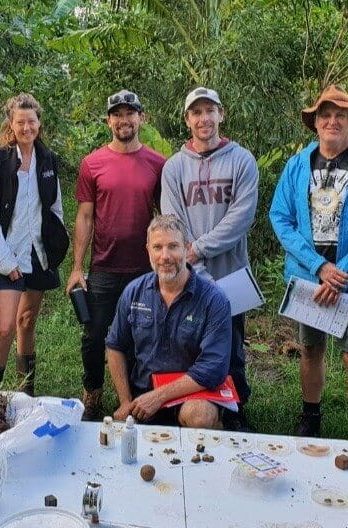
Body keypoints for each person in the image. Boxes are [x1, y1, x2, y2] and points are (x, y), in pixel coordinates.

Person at [268, 85, 348, 440]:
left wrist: (341, 273)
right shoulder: (297, 165)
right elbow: (280, 217)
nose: (332, 121)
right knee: (311, 348)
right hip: (310, 276)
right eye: (325, 115)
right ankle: (311, 415)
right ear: (315, 122)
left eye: (340, 114)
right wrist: (317, 267)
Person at [160, 87, 258, 431]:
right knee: (191, 344)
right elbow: (173, 222)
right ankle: (192, 410)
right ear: (188, 120)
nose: (204, 119)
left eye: (210, 111)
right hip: (189, 278)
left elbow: (241, 217)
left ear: (221, 114)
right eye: (196, 112)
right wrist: (195, 269)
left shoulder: (242, 160)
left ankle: (236, 411)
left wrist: (199, 250)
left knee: (231, 347)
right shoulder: (174, 168)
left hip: (232, 277)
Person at [65, 90, 165, 420]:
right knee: (94, 335)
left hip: (144, 269)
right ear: (109, 120)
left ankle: (138, 397)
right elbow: (85, 216)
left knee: (142, 334)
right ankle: (92, 393)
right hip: (105, 265)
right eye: (117, 114)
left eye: (130, 113)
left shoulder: (158, 164)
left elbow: (165, 217)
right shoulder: (92, 163)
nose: (124, 120)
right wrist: (78, 268)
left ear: (142, 118)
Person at [0, 93, 69, 395]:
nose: (27, 127)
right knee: (5, 327)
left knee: (26, 321)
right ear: (11, 124)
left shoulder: (49, 161)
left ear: (39, 123)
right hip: (7, 253)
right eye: (20, 122)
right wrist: (6, 260)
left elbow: (55, 207)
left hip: (38, 254)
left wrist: (57, 241)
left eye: (32, 121)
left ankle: (25, 391)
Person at [105, 214, 231, 428]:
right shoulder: (133, 292)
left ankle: (214, 430)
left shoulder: (214, 299)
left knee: (200, 416)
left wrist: (159, 397)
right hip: (143, 395)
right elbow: (114, 345)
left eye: (173, 246)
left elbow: (213, 368)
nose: (165, 256)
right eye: (158, 247)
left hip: (194, 394)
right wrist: (126, 401)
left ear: (187, 248)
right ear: (148, 250)